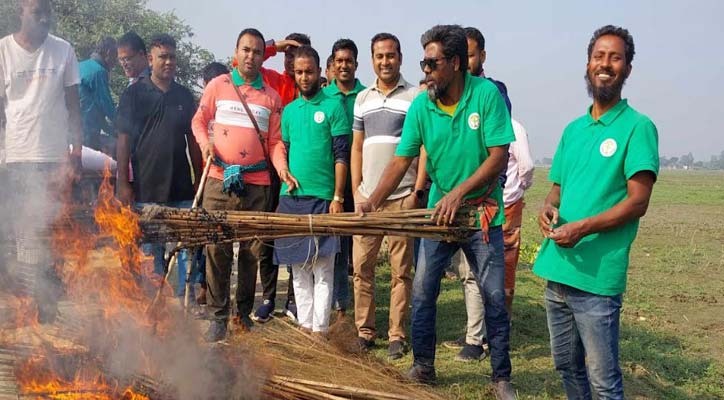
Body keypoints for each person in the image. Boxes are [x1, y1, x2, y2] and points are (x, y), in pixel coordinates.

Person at [357, 25, 516, 398]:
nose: (425, 71)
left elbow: (498, 157)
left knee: (493, 296)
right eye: (423, 63)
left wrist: (460, 193)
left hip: (481, 214)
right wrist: (373, 201)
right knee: (424, 292)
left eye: (432, 63)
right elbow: (401, 160)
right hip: (439, 216)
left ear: (456, 63)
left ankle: (500, 377)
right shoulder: (423, 105)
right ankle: (423, 367)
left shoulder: (486, 96)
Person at [534, 25, 658, 400]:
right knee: (566, 366)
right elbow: (555, 192)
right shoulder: (573, 129)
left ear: (628, 69)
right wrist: (547, 210)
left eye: (615, 57)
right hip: (558, 270)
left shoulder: (638, 127)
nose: (605, 64)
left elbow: (638, 201)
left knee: (604, 382)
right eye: (599, 57)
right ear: (588, 65)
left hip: (597, 280)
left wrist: (584, 227)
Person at [192, 28, 295, 342]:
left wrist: (283, 170)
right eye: (246, 50)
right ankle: (217, 317)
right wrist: (204, 146)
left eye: (256, 52)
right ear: (236, 53)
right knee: (216, 251)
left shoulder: (271, 96)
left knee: (251, 252)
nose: (251, 57)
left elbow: (276, 142)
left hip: (258, 184)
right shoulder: (218, 86)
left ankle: (242, 315)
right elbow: (198, 120)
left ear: (263, 57)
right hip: (218, 181)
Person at [0, 0, 83, 323]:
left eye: (48, 12)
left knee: (52, 231)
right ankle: (29, 304)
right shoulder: (4, 51)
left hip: (53, 158)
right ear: (21, 10)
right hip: (17, 157)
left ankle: (47, 306)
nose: (45, 18)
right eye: (38, 12)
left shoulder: (63, 51)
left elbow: (74, 106)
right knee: (23, 232)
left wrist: (75, 152)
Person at [442, 26, 517, 362]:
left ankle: (481, 343)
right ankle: (475, 332)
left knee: (482, 277)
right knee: (462, 272)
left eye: (470, 55)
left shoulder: (492, 93)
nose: (462, 63)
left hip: (482, 203)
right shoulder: (444, 96)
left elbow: (496, 154)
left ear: (481, 57)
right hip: (448, 201)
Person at [351, 32, 424, 359]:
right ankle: (364, 331)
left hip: (402, 199)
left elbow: (423, 148)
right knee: (361, 269)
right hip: (366, 200)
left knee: (401, 271)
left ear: (400, 58)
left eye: (391, 55)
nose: (385, 61)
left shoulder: (415, 96)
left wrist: (417, 192)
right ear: (372, 60)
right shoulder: (362, 99)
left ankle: (397, 334)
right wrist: (355, 190)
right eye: (379, 56)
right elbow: (356, 146)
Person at [115, 34, 202, 305]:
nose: (168, 62)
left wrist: (200, 179)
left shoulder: (184, 96)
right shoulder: (134, 94)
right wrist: (122, 182)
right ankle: (156, 307)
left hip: (181, 187)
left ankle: (188, 298)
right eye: (162, 56)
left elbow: (194, 140)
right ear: (150, 59)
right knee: (151, 252)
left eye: (172, 57)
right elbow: (124, 141)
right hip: (146, 188)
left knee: (188, 246)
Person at [273, 44, 349, 338]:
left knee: (324, 269)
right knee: (299, 270)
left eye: (310, 71)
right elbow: (286, 150)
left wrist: (338, 196)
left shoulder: (334, 106)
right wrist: (284, 174)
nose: (305, 77)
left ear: (321, 72)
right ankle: (305, 330)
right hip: (292, 199)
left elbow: (341, 154)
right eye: (299, 72)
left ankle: (321, 332)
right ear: (293, 73)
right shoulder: (289, 112)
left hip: (324, 199)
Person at [250, 33, 312, 324]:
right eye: (289, 55)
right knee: (267, 233)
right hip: (269, 168)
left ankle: (293, 299)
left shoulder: (308, 84)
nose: (292, 62)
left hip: (297, 172)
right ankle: (268, 298)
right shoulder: (271, 79)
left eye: (297, 55)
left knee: (294, 234)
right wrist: (276, 46)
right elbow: (241, 61)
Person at [323, 38, 366, 320]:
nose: (343, 66)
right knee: (335, 245)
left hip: (361, 181)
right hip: (332, 180)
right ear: (332, 65)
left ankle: (361, 307)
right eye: (338, 61)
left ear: (356, 64)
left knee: (359, 247)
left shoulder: (367, 95)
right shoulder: (323, 96)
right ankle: (339, 305)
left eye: (348, 61)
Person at [79, 36, 117, 154]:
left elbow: (96, 108)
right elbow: (107, 106)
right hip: (87, 133)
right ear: (108, 53)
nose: (116, 62)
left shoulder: (79, 65)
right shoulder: (99, 72)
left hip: (71, 131)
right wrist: (125, 128)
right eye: (115, 57)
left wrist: (110, 130)